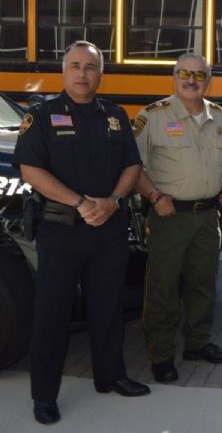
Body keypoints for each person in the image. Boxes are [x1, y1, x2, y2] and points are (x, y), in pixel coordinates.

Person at [13, 41, 150, 424]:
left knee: (108, 307)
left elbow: (131, 166)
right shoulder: (41, 116)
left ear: (100, 73)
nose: (82, 73)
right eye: (75, 65)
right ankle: (44, 396)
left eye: (90, 67)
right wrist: (80, 203)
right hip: (61, 229)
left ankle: (111, 377)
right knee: (51, 314)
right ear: (64, 71)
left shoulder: (116, 115)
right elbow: (31, 171)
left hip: (108, 227)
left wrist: (112, 202)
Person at [135, 53, 222, 384]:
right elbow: (132, 167)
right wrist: (154, 196)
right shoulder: (152, 117)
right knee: (163, 287)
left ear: (208, 81)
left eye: (199, 75)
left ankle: (197, 343)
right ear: (174, 77)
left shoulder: (219, 117)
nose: (191, 80)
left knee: (203, 284)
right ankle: (161, 354)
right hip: (170, 216)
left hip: (208, 217)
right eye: (184, 73)